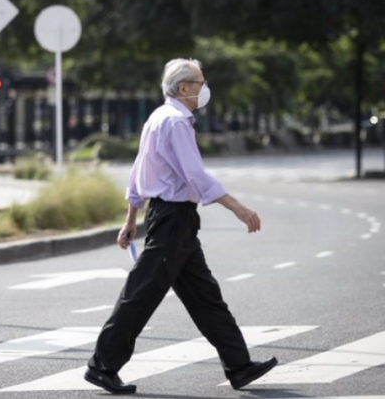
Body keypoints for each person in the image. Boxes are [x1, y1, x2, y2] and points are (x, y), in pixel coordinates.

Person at [84, 59, 277, 394]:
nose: (204, 89)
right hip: (172, 219)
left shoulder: (159, 118)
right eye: (200, 83)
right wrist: (239, 208)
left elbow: (138, 172)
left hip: (175, 219)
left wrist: (131, 219)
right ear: (184, 88)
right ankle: (102, 367)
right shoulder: (175, 122)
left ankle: (239, 366)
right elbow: (196, 176)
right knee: (141, 294)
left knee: (205, 297)